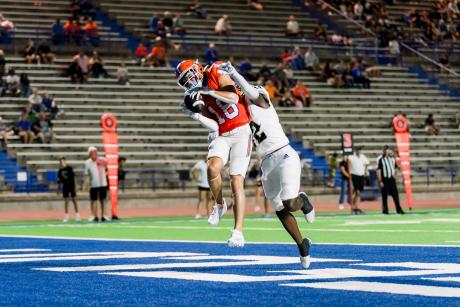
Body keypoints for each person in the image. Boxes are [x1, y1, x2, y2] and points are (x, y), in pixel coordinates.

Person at [188, 62, 316, 269]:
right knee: (279, 209)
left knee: (290, 202)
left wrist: (235, 76)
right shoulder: (236, 109)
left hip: (283, 153)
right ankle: (302, 244)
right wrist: (197, 113)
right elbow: (223, 124)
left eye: (236, 84)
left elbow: (249, 91)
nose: (235, 88)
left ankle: (303, 200)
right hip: (265, 162)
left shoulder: (256, 94)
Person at [176, 59, 252, 247]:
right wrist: (196, 115)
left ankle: (238, 232)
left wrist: (207, 91)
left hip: (242, 131)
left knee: (236, 180)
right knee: (212, 168)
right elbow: (214, 125)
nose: (188, 83)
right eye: (184, 82)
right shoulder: (199, 95)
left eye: (188, 77)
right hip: (223, 133)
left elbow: (233, 98)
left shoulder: (216, 69)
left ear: (197, 69)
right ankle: (219, 204)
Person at [376, 146, 405, 215]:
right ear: (384, 151)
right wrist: (380, 181)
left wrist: (400, 162)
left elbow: (397, 167)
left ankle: (399, 209)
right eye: (387, 150)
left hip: (391, 179)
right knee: (384, 196)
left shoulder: (392, 159)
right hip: (384, 179)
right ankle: (385, 210)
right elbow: (378, 170)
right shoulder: (381, 160)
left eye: (389, 149)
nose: (389, 151)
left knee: (395, 195)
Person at [83, 146, 109, 222]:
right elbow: (86, 174)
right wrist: (85, 184)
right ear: (89, 154)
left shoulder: (102, 160)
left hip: (102, 183)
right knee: (94, 200)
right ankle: (95, 216)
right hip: (93, 184)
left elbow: (107, 168)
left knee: (103, 200)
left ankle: (104, 215)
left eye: (95, 152)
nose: (94, 154)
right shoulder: (87, 162)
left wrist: (102, 163)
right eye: (92, 153)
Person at [57, 157, 80, 222]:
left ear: (65, 161)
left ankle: (77, 214)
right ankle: (66, 215)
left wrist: (75, 186)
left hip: (71, 185)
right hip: (65, 187)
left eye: (63, 161)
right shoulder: (60, 171)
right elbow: (59, 180)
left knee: (74, 200)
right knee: (66, 201)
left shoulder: (69, 168)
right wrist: (58, 187)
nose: (62, 163)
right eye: (61, 162)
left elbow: (74, 177)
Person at [349, 146, 369, 215]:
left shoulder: (362, 156)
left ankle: (355, 207)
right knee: (356, 191)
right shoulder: (351, 156)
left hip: (361, 175)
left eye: (360, 150)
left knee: (359, 192)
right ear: (356, 150)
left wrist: (365, 170)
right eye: (358, 150)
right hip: (355, 175)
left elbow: (367, 163)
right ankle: (353, 206)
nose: (359, 151)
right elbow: (347, 163)